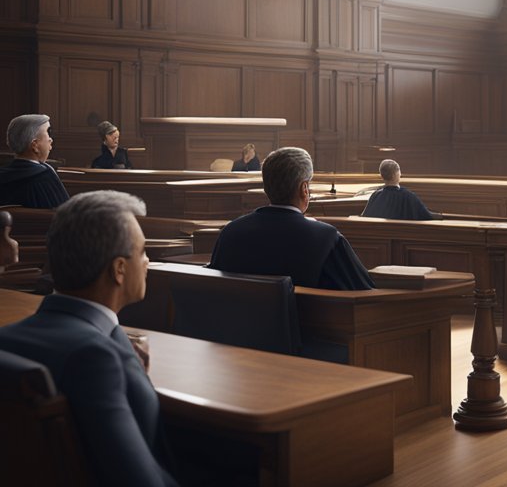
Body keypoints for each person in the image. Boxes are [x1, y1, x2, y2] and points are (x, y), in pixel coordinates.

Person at [0, 191, 178, 486]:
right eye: (143, 251)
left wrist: (124, 355)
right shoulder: (96, 359)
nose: (147, 262)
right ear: (119, 269)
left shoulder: (7, 338)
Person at [208, 147, 375, 290]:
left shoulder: (231, 232)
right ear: (304, 189)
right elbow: (362, 290)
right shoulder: (325, 237)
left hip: (236, 326)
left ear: (266, 187)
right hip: (305, 327)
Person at [0, 114, 70, 209]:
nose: (51, 139)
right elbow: (65, 214)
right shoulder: (45, 176)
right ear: (35, 145)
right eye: (48, 132)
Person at [362, 159, 440, 220]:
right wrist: (443, 216)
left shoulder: (375, 196)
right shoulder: (408, 196)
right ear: (396, 174)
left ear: (382, 175)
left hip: (378, 238)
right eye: (399, 171)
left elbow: (364, 216)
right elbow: (426, 215)